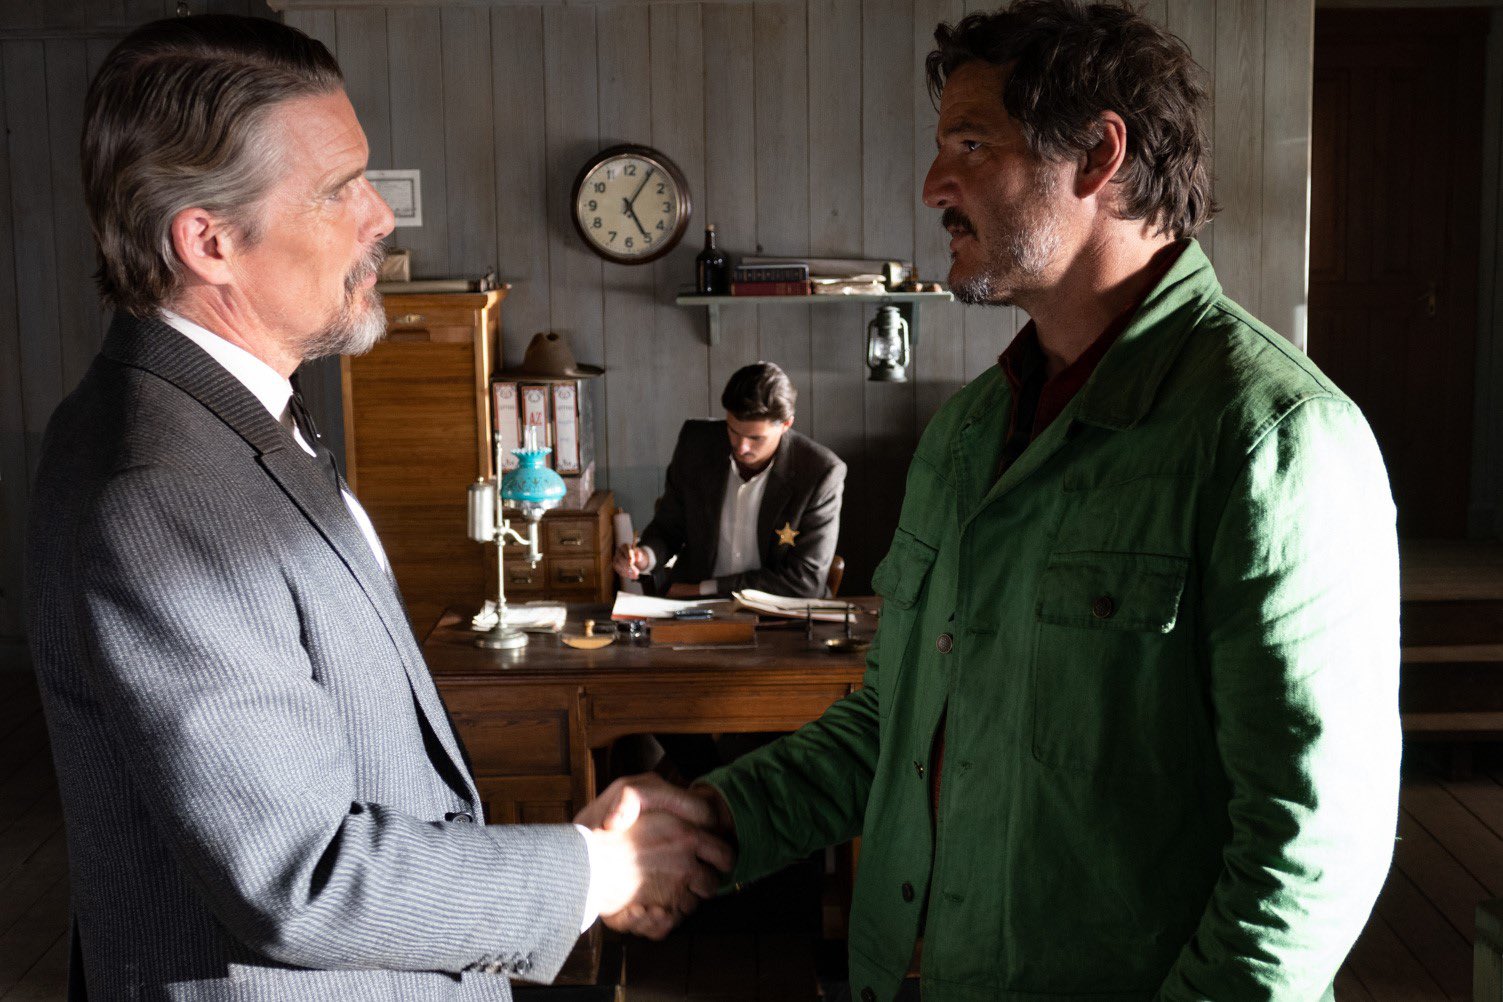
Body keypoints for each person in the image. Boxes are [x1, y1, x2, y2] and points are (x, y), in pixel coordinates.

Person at [598, 2, 1403, 999]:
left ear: (1098, 156)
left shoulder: (1272, 439)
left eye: (971, 145)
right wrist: (712, 820)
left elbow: (1306, 855)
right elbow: (894, 728)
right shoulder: (967, 434)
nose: (933, 184)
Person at [26, 16, 726, 999]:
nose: (381, 217)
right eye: (337, 189)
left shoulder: (229, 414)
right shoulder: (160, 491)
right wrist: (595, 871)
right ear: (209, 241)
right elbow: (301, 876)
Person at [614, 361, 846, 598]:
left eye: (756, 438)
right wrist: (645, 556)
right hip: (693, 609)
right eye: (733, 430)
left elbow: (806, 582)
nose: (741, 447)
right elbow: (668, 527)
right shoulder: (696, 443)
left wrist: (707, 589)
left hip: (777, 610)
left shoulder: (820, 472)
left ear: (786, 424)